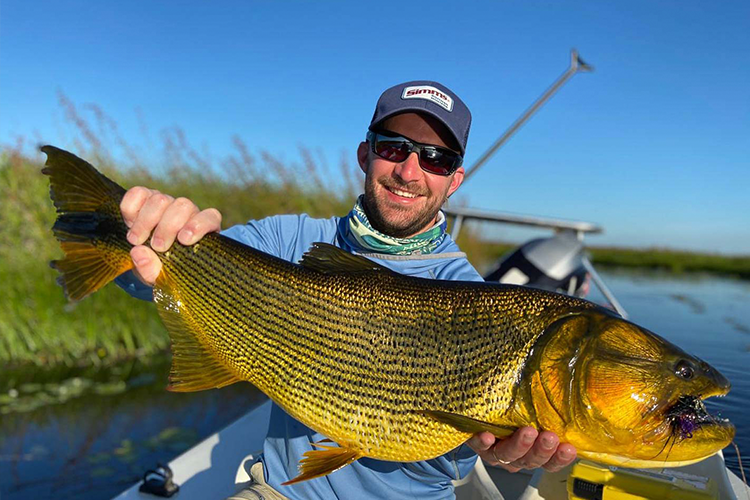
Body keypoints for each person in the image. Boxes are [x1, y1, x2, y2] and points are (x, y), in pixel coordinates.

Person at [115, 81, 576, 499]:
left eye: (436, 158)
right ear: (365, 155)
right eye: (394, 148)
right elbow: (157, 277)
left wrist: (497, 449)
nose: (411, 171)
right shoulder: (286, 240)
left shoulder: (473, 300)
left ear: (454, 179)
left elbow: (450, 465)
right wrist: (151, 238)